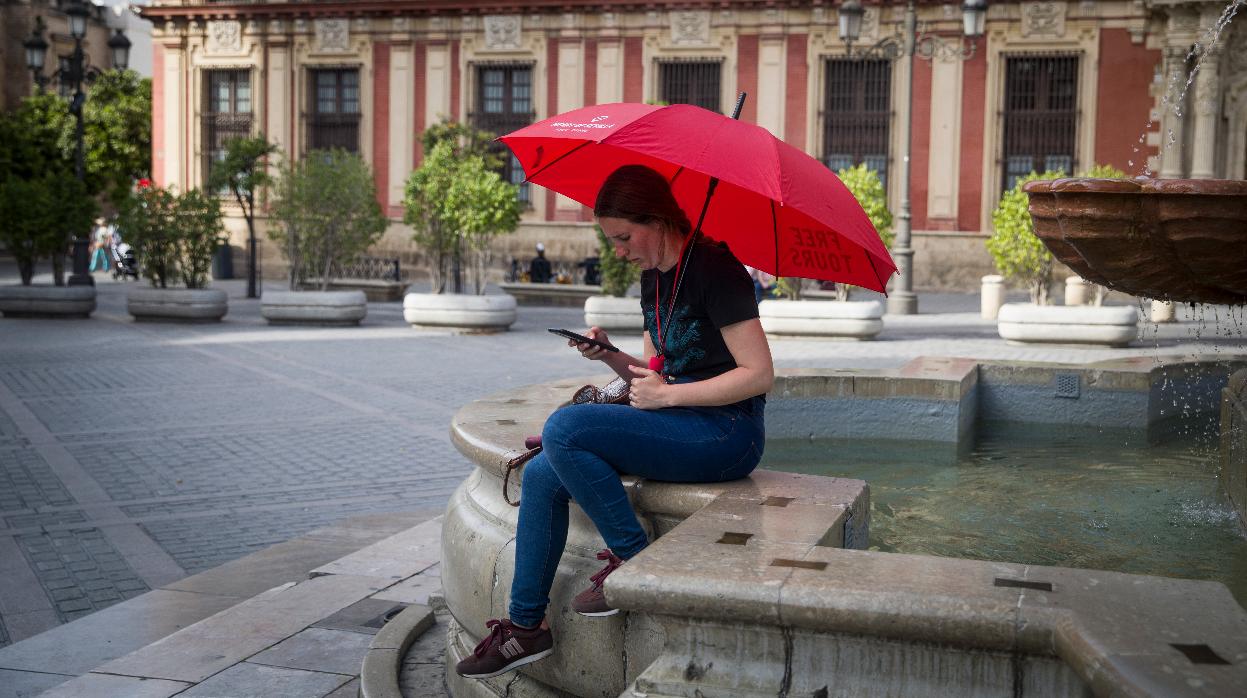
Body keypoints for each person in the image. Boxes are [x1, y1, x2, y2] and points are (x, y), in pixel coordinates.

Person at [455, 164, 774, 680]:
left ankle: (638, 561)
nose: (619, 250)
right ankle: (525, 627)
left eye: (624, 237)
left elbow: (759, 375)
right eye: (613, 239)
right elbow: (652, 373)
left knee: (564, 430)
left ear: (659, 219)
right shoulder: (653, 280)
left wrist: (670, 396)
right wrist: (606, 357)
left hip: (727, 433)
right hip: (679, 421)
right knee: (540, 474)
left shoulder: (717, 269)